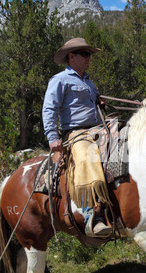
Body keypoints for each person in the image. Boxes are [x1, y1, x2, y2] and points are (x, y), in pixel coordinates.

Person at [42, 38, 112, 238]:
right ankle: (92, 215)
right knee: (86, 157)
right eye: (85, 54)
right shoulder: (59, 80)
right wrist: (52, 136)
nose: (89, 58)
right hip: (76, 133)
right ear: (71, 57)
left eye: (89, 54)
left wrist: (100, 101)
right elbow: (49, 109)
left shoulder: (89, 82)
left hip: (98, 128)